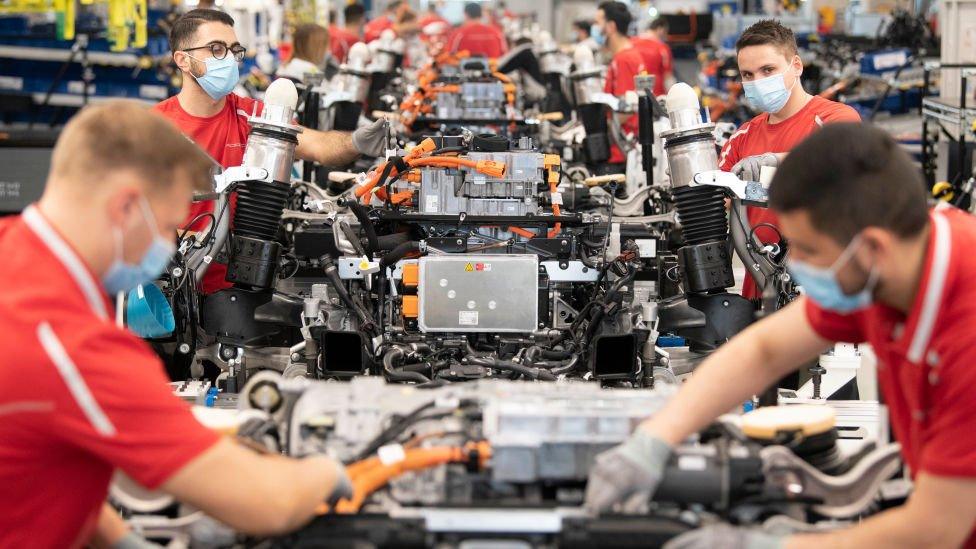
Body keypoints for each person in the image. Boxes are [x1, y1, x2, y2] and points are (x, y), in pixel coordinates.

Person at [585, 123, 976, 548]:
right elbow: (767, 348)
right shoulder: (897, 261)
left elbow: (935, 529)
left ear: (873, 249)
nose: (797, 265)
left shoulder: (965, 333)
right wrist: (655, 438)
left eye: (808, 251)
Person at [0, 101, 350, 548]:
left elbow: (41, 461)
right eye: (169, 226)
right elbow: (269, 502)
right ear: (126, 205)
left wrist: (121, 537)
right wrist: (330, 468)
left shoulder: (16, 258)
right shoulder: (76, 345)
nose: (169, 246)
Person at [154, 9, 389, 294]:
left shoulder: (250, 114)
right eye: (216, 49)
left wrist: (355, 142)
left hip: (240, 288)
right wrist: (201, 243)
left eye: (233, 50)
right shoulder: (155, 128)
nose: (229, 59)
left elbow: (318, 145)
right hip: (172, 289)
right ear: (182, 59)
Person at [717, 20, 860, 302]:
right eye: (748, 74)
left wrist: (773, 161)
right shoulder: (743, 136)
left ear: (796, 65)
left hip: (823, 294)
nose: (757, 81)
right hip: (759, 292)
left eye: (767, 70)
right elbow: (716, 207)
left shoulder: (836, 119)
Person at [594, 1, 646, 167]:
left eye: (598, 23)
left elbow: (625, 109)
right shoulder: (630, 54)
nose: (596, 28)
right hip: (628, 147)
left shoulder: (623, 60)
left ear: (610, 26)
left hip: (622, 152)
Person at [631, 17, 673, 96]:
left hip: (634, 92)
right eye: (666, 32)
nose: (666, 36)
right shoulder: (662, 48)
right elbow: (667, 76)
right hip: (656, 94)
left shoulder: (632, 42)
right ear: (660, 29)